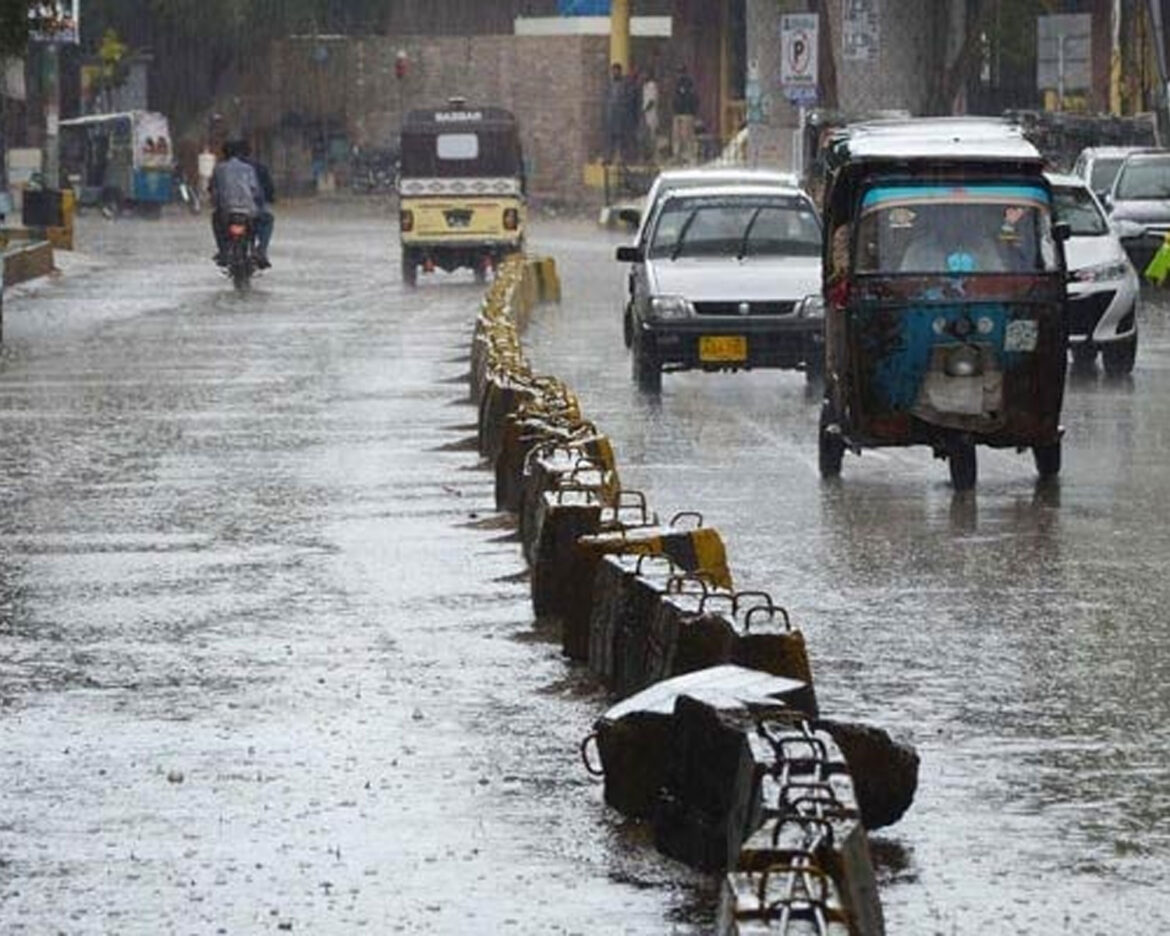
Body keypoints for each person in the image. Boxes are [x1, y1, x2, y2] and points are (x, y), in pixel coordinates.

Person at [209, 139, 262, 266]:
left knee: (215, 220)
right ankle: (256, 249)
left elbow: (213, 190)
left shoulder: (219, 169)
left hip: (226, 211)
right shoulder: (248, 168)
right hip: (248, 210)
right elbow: (255, 190)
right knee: (258, 222)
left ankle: (223, 251)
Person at [238, 140, 275, 268]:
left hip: (228, 211)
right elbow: (267, 190)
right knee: (268, 219)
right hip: (253, 210)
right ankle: (261, 250)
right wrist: (270, 198)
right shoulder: (258, 168)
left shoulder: (222, 168)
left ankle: (224, 250)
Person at [604, 62, 630, 165]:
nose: (615, 73)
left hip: (620, 114)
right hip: (611, 113)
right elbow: (606, 98)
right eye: (613, 71)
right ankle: (609, 157)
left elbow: (627, 97)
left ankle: (620, 157)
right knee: (610, 137)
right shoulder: (609, 84)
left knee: (620, 136)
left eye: (617, 71)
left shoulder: (624, 84)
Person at [672, 64, 699, 162]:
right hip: (678, 112)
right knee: (677, 136)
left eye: (680, 72)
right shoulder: (677, 84)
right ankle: (677, 155)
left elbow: (692, 98)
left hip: (686, 113)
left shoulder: (688, 84)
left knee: (686, 135)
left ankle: (688, 155)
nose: (679, 75)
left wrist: (691, 110)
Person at [641, 68, 659, 160]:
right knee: (645, 136)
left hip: (651, 114)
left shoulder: (652, 86)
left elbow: (651, 101)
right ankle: (646, 155)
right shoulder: (644, 86)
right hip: (645, 114)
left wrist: (644, 110)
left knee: (651, 135)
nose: (643, 76)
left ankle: (652, 155)